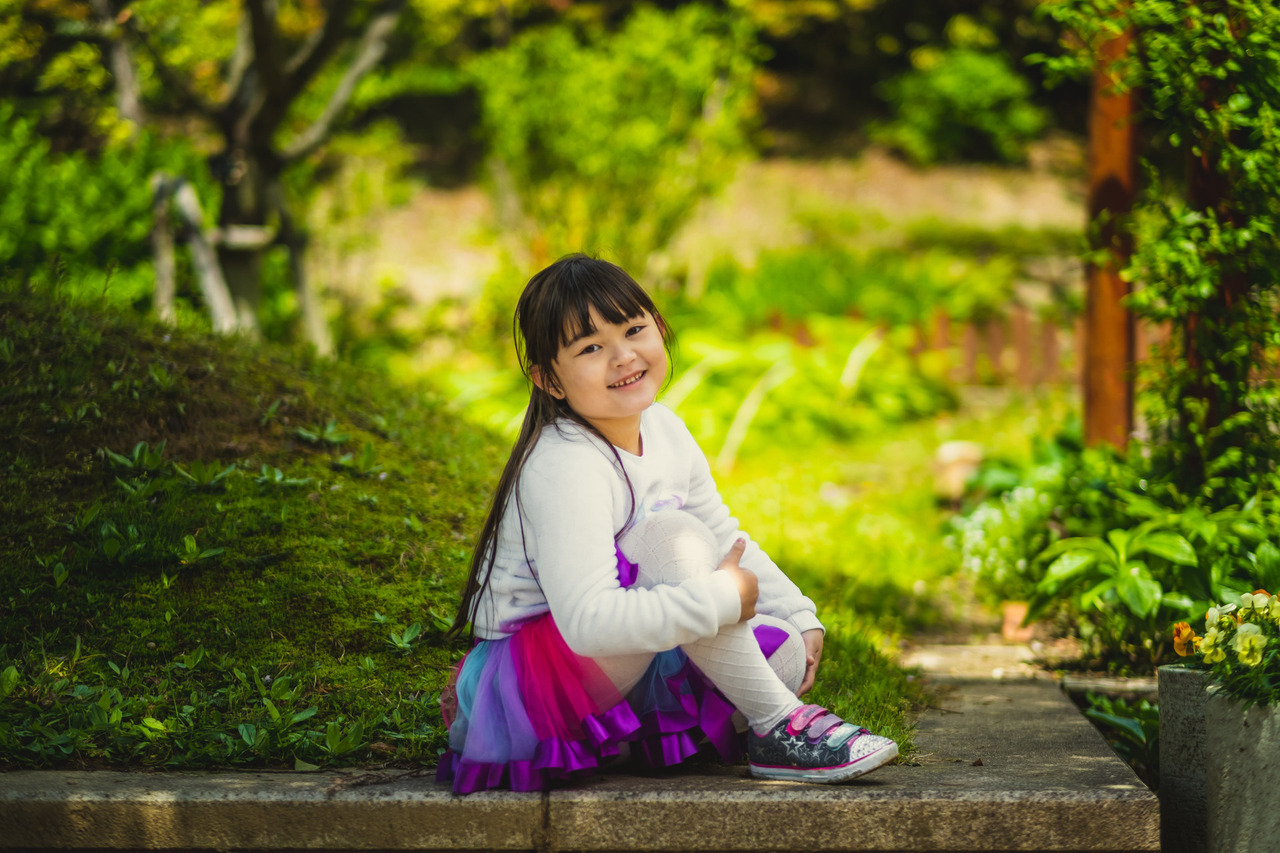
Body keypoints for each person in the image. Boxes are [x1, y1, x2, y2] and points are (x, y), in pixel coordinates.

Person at [437, 255, 898, 794]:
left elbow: (723, 533)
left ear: (659, 326)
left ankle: (635, 744)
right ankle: (779, 726)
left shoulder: (665, 427)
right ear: (548, 380)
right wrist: (723, 598)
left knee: (787, 648)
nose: (623, 356)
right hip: (539, 681)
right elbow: (589, 622)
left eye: (634, 329)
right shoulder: (564, 462)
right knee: (668, 536)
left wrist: (798, 611)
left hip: (621, 664)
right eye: (590, 348)